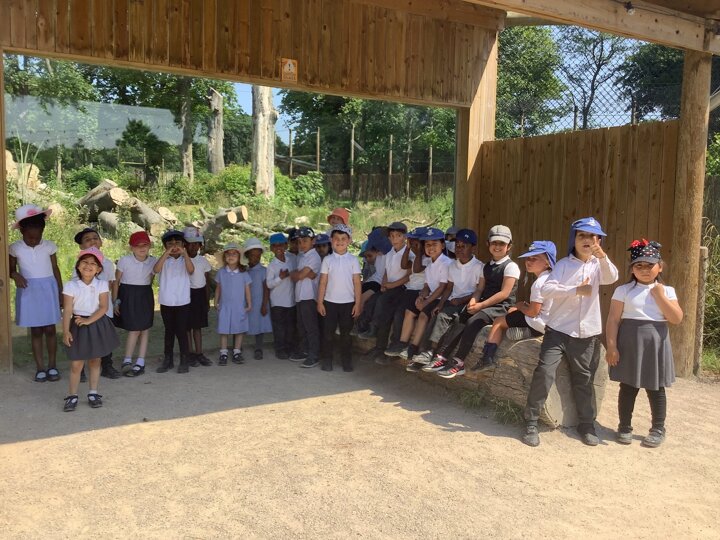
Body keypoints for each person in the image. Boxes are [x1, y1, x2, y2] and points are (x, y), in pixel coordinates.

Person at [522, 217, 619, 448]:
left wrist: (602, 255)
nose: (587, 240)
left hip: (586, 334)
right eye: (581, 235)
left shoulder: (599, 265)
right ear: (573, 239)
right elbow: (547, 289)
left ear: (599, 240)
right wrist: (574, 290)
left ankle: (586, 425)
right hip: (558, 330)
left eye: (592, 236)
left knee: (584, 379)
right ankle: (531, 421)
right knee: (544, 372)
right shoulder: (563, 265)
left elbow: (612, 277)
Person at [605, 239, 682, 448]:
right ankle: (624, 426)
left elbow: (676, 318)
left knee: (656, 388)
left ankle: (658, 429)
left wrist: (660, 296)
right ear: (632, 268)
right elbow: (613, 319)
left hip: (656, 344)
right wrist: (611, 346)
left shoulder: (667, 291)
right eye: (639, 265)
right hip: (629, 342)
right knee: (628, 386)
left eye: (650, 265)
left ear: (660, 266)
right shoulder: (623, 290)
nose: (645, 270)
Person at [417, 225, 520, 377]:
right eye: (494, 243)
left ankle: (459, 362)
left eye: (501, 244)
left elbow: (504, 293)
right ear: (488, 244)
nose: (497, 247)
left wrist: (481, 305)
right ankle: (442, 356)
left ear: (509, 246)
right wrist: (473, 301)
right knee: (460, 318)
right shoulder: (487, 266)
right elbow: (479, 289)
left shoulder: (511, 267)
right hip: (485, 304)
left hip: (501, 306)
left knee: (473, 322)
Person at [468, 241, 556, 374]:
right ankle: (528, 331)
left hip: (539, 323)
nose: (529, 261)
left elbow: (533, 312)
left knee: (499, 322)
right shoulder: (553, 277)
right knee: (513, 311)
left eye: (534, 258)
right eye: (528, 258)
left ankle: (487, 358)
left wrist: (520, 306)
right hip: (551, 323)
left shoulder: (539, 283)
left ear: (548, 262)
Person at [409, 228, 483, 367]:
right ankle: (424, 353)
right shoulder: (453, 265)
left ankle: (434, 353)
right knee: (437, 313)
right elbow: (449, 288)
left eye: (464, 246)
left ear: (473, 248)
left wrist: (462, 300)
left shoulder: (479, 267)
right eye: (457, 245)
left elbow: (480, 290)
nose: (459, 249)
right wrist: (440, 304)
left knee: (445, 318)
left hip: (468, 302)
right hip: (453, 301)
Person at [9, 204, 63, 383]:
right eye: (30, 237)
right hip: (28, 292)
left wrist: (60, 292)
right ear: (21, 231)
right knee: (36, 330)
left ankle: (53, 365)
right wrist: (15, 275)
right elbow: (10, 269)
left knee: (50, 329)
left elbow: (55, 269)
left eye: (37, 237)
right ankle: (40, 368)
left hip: (48, 290)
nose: (33, 240)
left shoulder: (49, 246)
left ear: (43, 232)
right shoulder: (15, 248)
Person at [61, 248, 119, 412]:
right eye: (85, 262)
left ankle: (93, 393)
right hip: (77, 325)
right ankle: (72, 395)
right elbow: (67, 309)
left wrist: (88, 321)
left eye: (93, 263)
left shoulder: (101, 284)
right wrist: (66, 331)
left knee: (95, 361)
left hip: (96, 324)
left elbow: (103, 307)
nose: (88, 266)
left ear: (99, 269)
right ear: (78, 266)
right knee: (76, 363)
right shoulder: (71, 285)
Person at [393, 227, 451, 362]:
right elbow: (427, 286)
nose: (431, 248)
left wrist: (426, 302)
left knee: (424, 315)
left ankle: (416, 349)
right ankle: (408, 346)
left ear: (443, 245)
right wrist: (421, 296)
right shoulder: (430, 264)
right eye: (427, 245)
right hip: (432, 297)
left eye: (434, 244)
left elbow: (442, 287)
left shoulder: (446, 263)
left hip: (443, 298)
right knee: (417, 313)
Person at [73, 227, 121, 379]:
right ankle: (80, 369)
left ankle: (107, 366)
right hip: (85, 308)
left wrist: (114, 301)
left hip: (104, 308)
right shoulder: (79, 265)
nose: (92, 241)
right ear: (81, 246)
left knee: (104, 337)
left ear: (101, 242)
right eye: (87, 240)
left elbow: (112, 283)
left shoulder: (108, 263)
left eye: (95, 238)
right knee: (83, 339)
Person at [359, 222, 410, 358]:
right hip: (390, 287)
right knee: (377, 304)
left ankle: (374, 329)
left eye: (398, 236)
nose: (394, 239)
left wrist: (391, 285)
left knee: (384, 305)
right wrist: (384, 283)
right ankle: (379, 347)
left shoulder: (409, 253)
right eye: (392, 236)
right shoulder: (389, 253)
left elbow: (408, 276)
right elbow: (386, 271)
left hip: (402, 288)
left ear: (405, 237)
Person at [316, 224, 362, 372]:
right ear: (331, 240)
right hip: (329, 303)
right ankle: (327, 360)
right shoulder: (328, 260)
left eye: (343, 238)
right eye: (336, 238)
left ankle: (346, 362)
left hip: (348, 303)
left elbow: (357, 282)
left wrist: (358, 304)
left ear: (349, 241)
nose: (340, 241)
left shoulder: (353, 260)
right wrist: (320, 302)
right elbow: (323, 282)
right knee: (328, 334)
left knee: (346, 335)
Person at [114, 231, 156, 377]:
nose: (142, 248)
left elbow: (151, 279)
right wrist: (116, 301)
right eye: (137, 245)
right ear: (131, 248)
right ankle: (127, 359)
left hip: (144, 294)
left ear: (149, 246)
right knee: (134, 328)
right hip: (128, 294)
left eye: (145, 245)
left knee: (144, 328)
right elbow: (116, 282)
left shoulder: (153, 261)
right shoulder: (124, 260)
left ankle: (140, 360)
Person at [384, 228, 430, 360]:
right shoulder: (414, 256)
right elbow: (404, 265)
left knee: (402, 313)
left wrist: (419, 251)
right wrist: (408, 249)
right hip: (409, 289)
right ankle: (395, 343)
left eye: (416, 243)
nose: (413, 246)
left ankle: (401, 343)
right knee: (394, 310)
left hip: (419, 290)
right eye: (411, 243)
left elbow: (417, 268)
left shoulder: (427, 259)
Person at [153, 230, 195, 374]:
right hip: (167, 301)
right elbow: (156, 269)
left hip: (183, 301)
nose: (174, 246)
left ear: (183, 245)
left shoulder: (185, 260)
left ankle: (184, 360)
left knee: (182, 331)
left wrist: (185, 254)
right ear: (165, 246)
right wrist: (166, 254)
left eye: (177, 243)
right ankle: (168, 359)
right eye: (170, 244)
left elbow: (191, 270)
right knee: (169, 331)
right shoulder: (163, 261)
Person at [215, 243, 252, 365]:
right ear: (224, 257)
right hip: (225, 306)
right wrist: (216, 301)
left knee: (239, 329)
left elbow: (247, 289)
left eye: (234, 254)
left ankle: (237, 351)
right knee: (224, 329)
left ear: (239, 257)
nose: (231, 256)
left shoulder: (244, 273)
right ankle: (223, 353)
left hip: (239, 306)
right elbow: (218, 288)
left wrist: (249, 303)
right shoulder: (221, 272)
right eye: (228, 254)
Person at [291, 227, 322, 368]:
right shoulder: (302, 256)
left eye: (305, 240)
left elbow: (299, 275)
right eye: (299, 241)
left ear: (313, 241)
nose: (301, 244)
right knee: (301, 326)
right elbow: (297, 275)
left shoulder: (313, 256)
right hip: (300, 296)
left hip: (309, 297)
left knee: (311, 327)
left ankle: (314, 355)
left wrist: (299, 274)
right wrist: (300, 274)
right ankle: (304, 351)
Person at [184, 227, 213, 367]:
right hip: (185, 295)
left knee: (198, 326)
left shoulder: (203, 261)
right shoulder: (182, 260)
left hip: (199, 295)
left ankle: (199, 353)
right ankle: (189, 353)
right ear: (184, 245)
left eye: (196, 243)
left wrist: (207, 301)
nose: (193, 246)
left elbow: (207, 282)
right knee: (187, 326)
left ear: (200, 245)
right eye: (190, 243)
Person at [266, 233, 296, 360]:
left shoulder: (292, 260)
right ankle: (280, 350)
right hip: (277, 302)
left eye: (281, 245)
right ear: (271, 248)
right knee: (279, 328)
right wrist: (280, 277)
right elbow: (269, 284)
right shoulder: (272, 265)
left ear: (286, 246)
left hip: (291, 300)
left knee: (290, 327)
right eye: (275, 246)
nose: (278, 248)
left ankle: (289, 348)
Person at [355, 228, 391, 333]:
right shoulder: (380, 254)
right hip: (372, 281)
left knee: (361, 300)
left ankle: (357, 325)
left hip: (379, 284)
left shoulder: (391, 254)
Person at [243, 237, 272, 360]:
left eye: (258, 256)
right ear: (247, 255)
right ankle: (237, 347)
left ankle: (258, 348)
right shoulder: (244, 271)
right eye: (252, 255)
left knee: (259, 325)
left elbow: (266, 288)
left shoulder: (263, 271)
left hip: (259, 302)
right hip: (247, 302)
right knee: (244, 323)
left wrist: (264, 304)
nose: (255, 258)